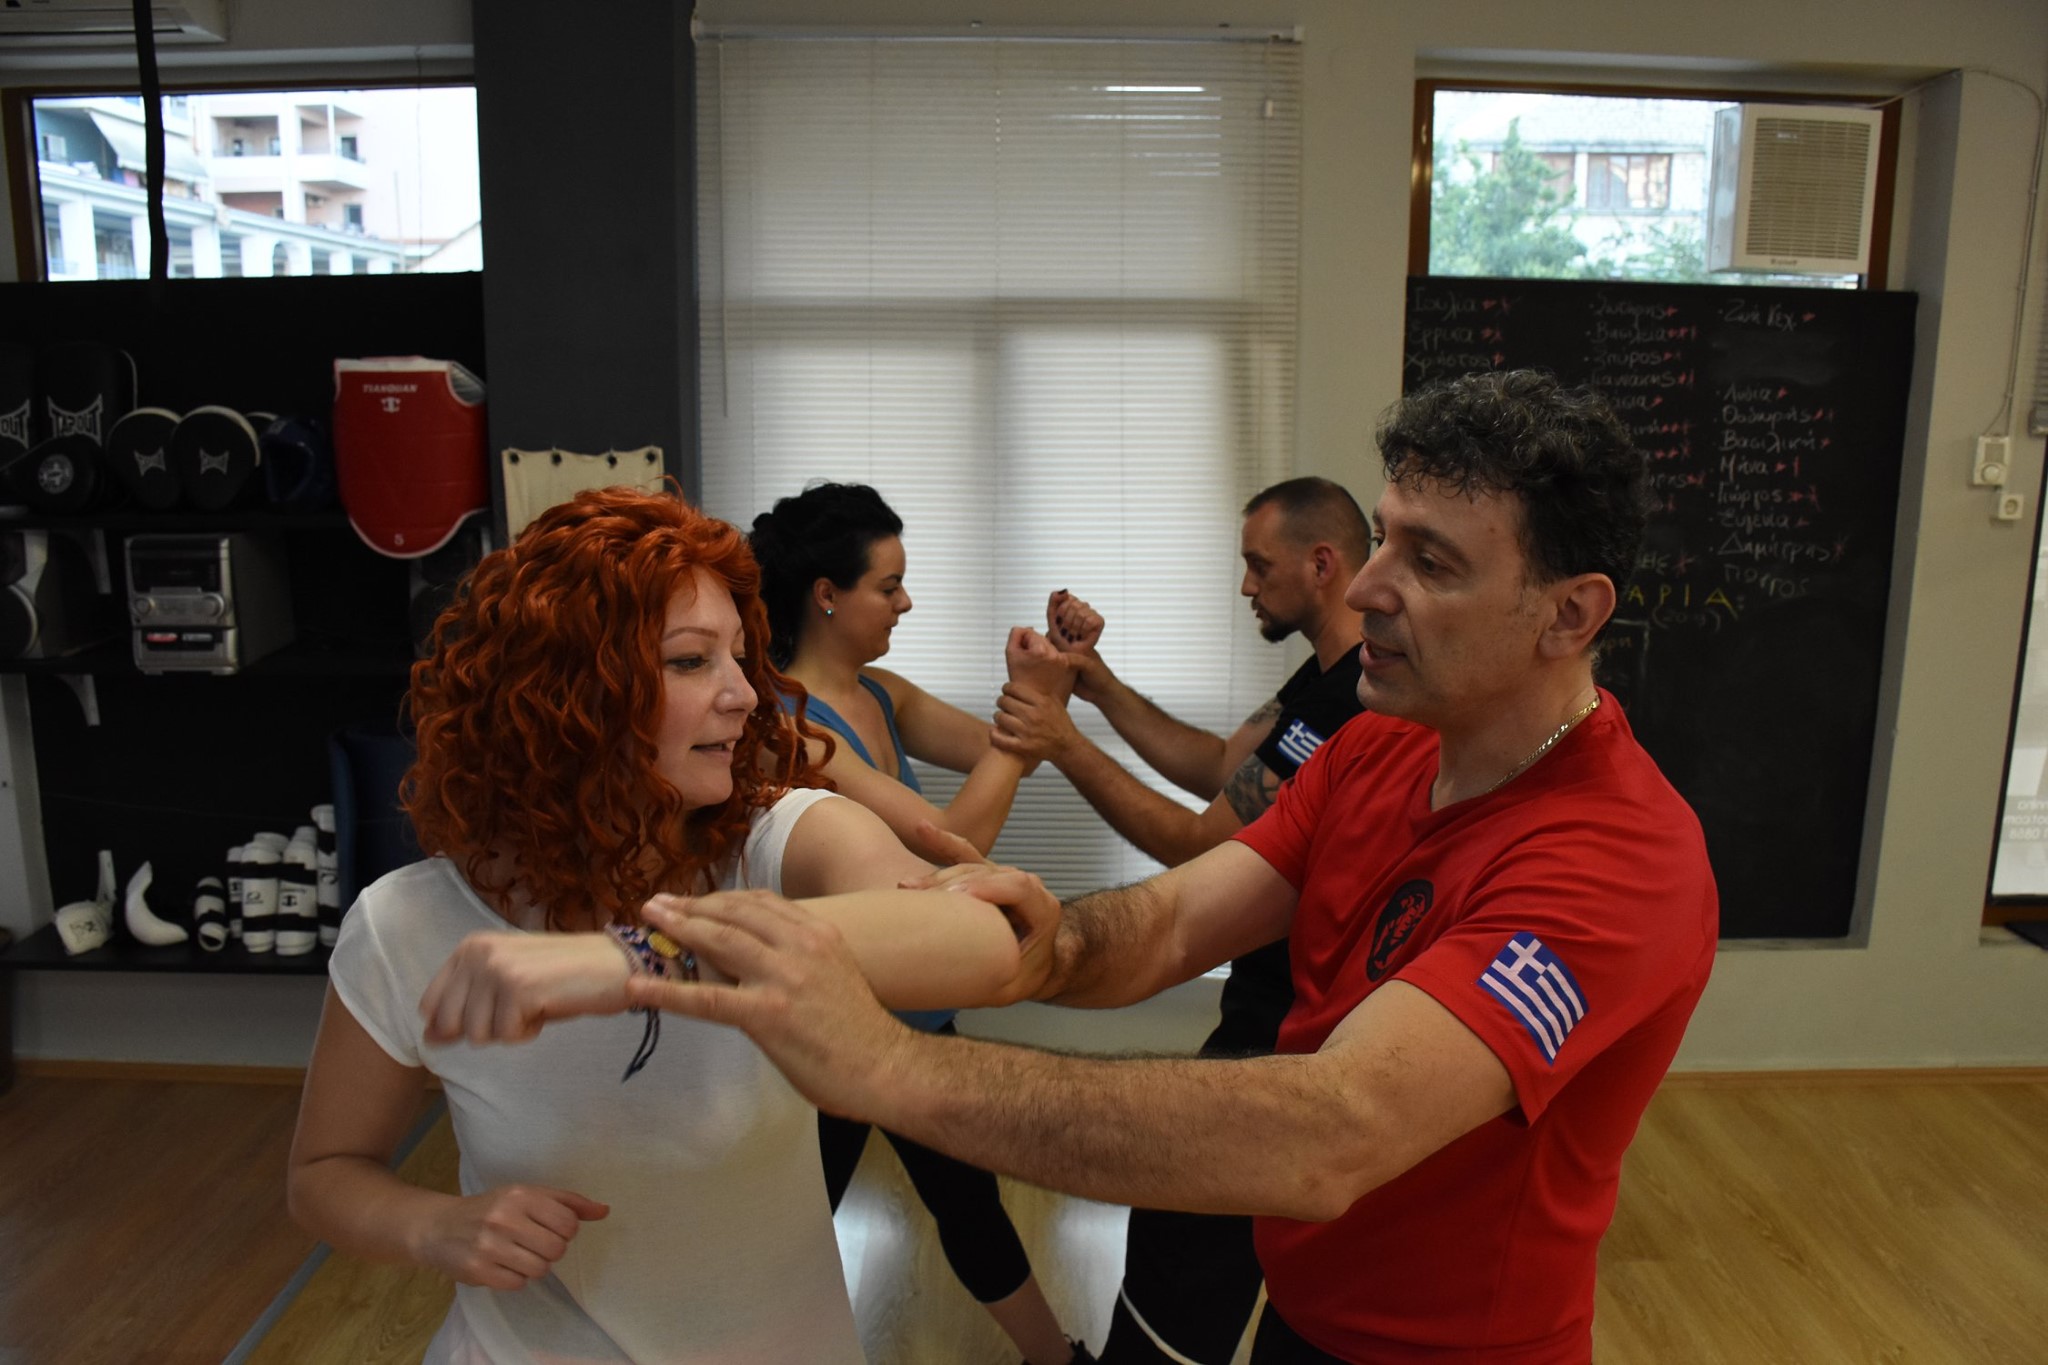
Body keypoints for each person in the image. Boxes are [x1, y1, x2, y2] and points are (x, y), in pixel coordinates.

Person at [539, 369, 1721, 1363]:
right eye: (1382, 540)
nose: (1366, 589)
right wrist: (1053, 943)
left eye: (1432, 562)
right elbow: (1173, 922)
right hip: (1306, 1311)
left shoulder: (1615, 859)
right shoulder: (1379, 748)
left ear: (1568, 615)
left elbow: (1330, 1132)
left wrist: (892, 1068)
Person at [284, 486, 1057, 1365]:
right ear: (566, 691)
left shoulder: (776, 842)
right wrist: (432, 1225)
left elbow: (982, 940)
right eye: (692, 660)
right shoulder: (407, 922)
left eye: (740, 657)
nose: (744, 694)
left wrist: (638, 956)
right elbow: (324, 1173)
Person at [989, 477, 1371, 1364]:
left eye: (1258, 566)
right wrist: (1094, 683)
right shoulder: (1321, 678)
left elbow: (1205, 845)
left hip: (1293, 1029)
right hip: (1267, 1015)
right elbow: (1218, 766)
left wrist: (1061, 743)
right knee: (1188, 1236)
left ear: (1322, 564)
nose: (1247, 586)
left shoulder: (1355, 698)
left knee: (1186, 1237)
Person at [748, 480, 1093, 1365]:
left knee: (967, 1203)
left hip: (911, 1011)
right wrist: (1030, 715)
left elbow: (1007, 750)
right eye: (890, 584)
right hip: (830, 1023)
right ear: (827, 594)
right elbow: (946, 850)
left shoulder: (882, 692)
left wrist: (1050, 677)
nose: (906, 602)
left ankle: (1055, 1359)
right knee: (791, 1229)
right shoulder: (789, 724)